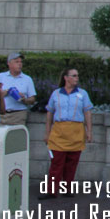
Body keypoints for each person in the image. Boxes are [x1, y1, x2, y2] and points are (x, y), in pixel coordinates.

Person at [42, 68, 93, 198]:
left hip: (76, 130)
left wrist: (89, 131)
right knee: (56, 163)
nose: (77, 78)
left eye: (77, 76)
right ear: (66, 78)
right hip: (59, 130)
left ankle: (68, 188)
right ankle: (52, 191)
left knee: (72, 163)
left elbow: (87, 112)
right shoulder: (56, 94)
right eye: (74, 75)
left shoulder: (83, 94)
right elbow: (50, 113)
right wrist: (47, 132)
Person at [0, 52, 35, 126]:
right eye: (17, 62)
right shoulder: (0, 76)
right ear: (9, 63)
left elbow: (33, 99)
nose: (20, 64)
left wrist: (25, 99)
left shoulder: (27, 79)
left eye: (21, 62)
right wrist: (5, 92)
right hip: (2, 115)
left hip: (19, 115)